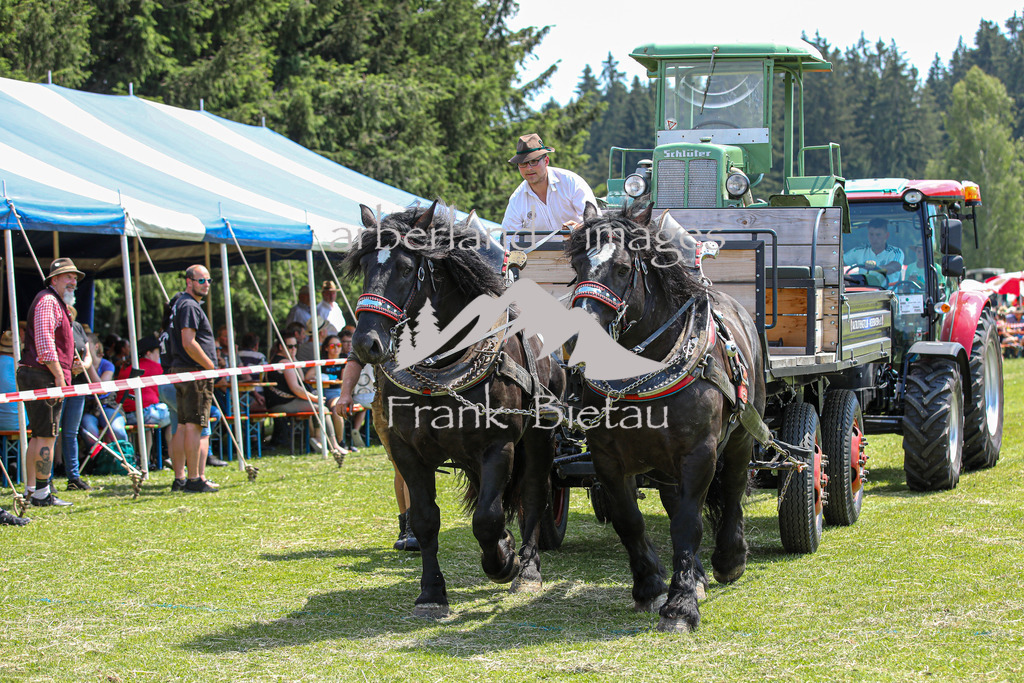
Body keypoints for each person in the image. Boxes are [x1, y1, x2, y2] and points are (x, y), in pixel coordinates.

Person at [16, 257, 84, 507]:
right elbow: (45, 346)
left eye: (75, 277)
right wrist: (59, 376)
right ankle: (42, 493)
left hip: (39, 373)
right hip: (43, 374)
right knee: (46, 435)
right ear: (53, 279)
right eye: (68, 276)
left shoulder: (55, 302)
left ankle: (33, 490)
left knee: (39, 435)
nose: (73, 281)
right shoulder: (48, 301)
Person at [335, 356, 419, 552]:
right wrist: (345, 393)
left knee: (411, 465)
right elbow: (355, 358)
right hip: (384, 401)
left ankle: (414, 527)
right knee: (401, 466)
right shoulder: (372, 326)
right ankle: (407, 528)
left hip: (418, 398)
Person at [166, 265, 219, 493]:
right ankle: (194, 478)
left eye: (208, 280)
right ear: (189, 282)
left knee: (184, 425)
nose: (206, 284)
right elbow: (189, 342)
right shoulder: (188, 305)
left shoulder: (180, 304)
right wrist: (210, 366)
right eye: (201, 280)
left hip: (182, 370)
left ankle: (181, 479)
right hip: (195, 372)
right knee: (194, 426)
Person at [500, 133, 597, 236]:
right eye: (523, 163)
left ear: (546, 161)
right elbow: (508, 241)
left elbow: (595, 221)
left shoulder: (571, 182)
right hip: (536, 252)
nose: (529, 168)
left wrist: (578, 228)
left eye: (534, 161)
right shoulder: (516, 200)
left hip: (578, 250)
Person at [58, 305, 93, 491]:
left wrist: (83, 366)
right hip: (59, 385)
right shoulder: (55, 327)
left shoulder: (78, 327)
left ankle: (73, 477)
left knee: (71, 433)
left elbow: (88, 357)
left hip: (78, 385)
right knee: (53, 432)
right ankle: (45, 480)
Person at [843, 218, 904, 285]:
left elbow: (895, 266)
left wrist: (876, 267)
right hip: (862, 293)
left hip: (889, 294)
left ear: (886, 236)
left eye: (878, 235)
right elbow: (839, 263)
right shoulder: (858, 251)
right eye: (871, 234)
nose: (874, 238)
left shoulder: (895, 252)